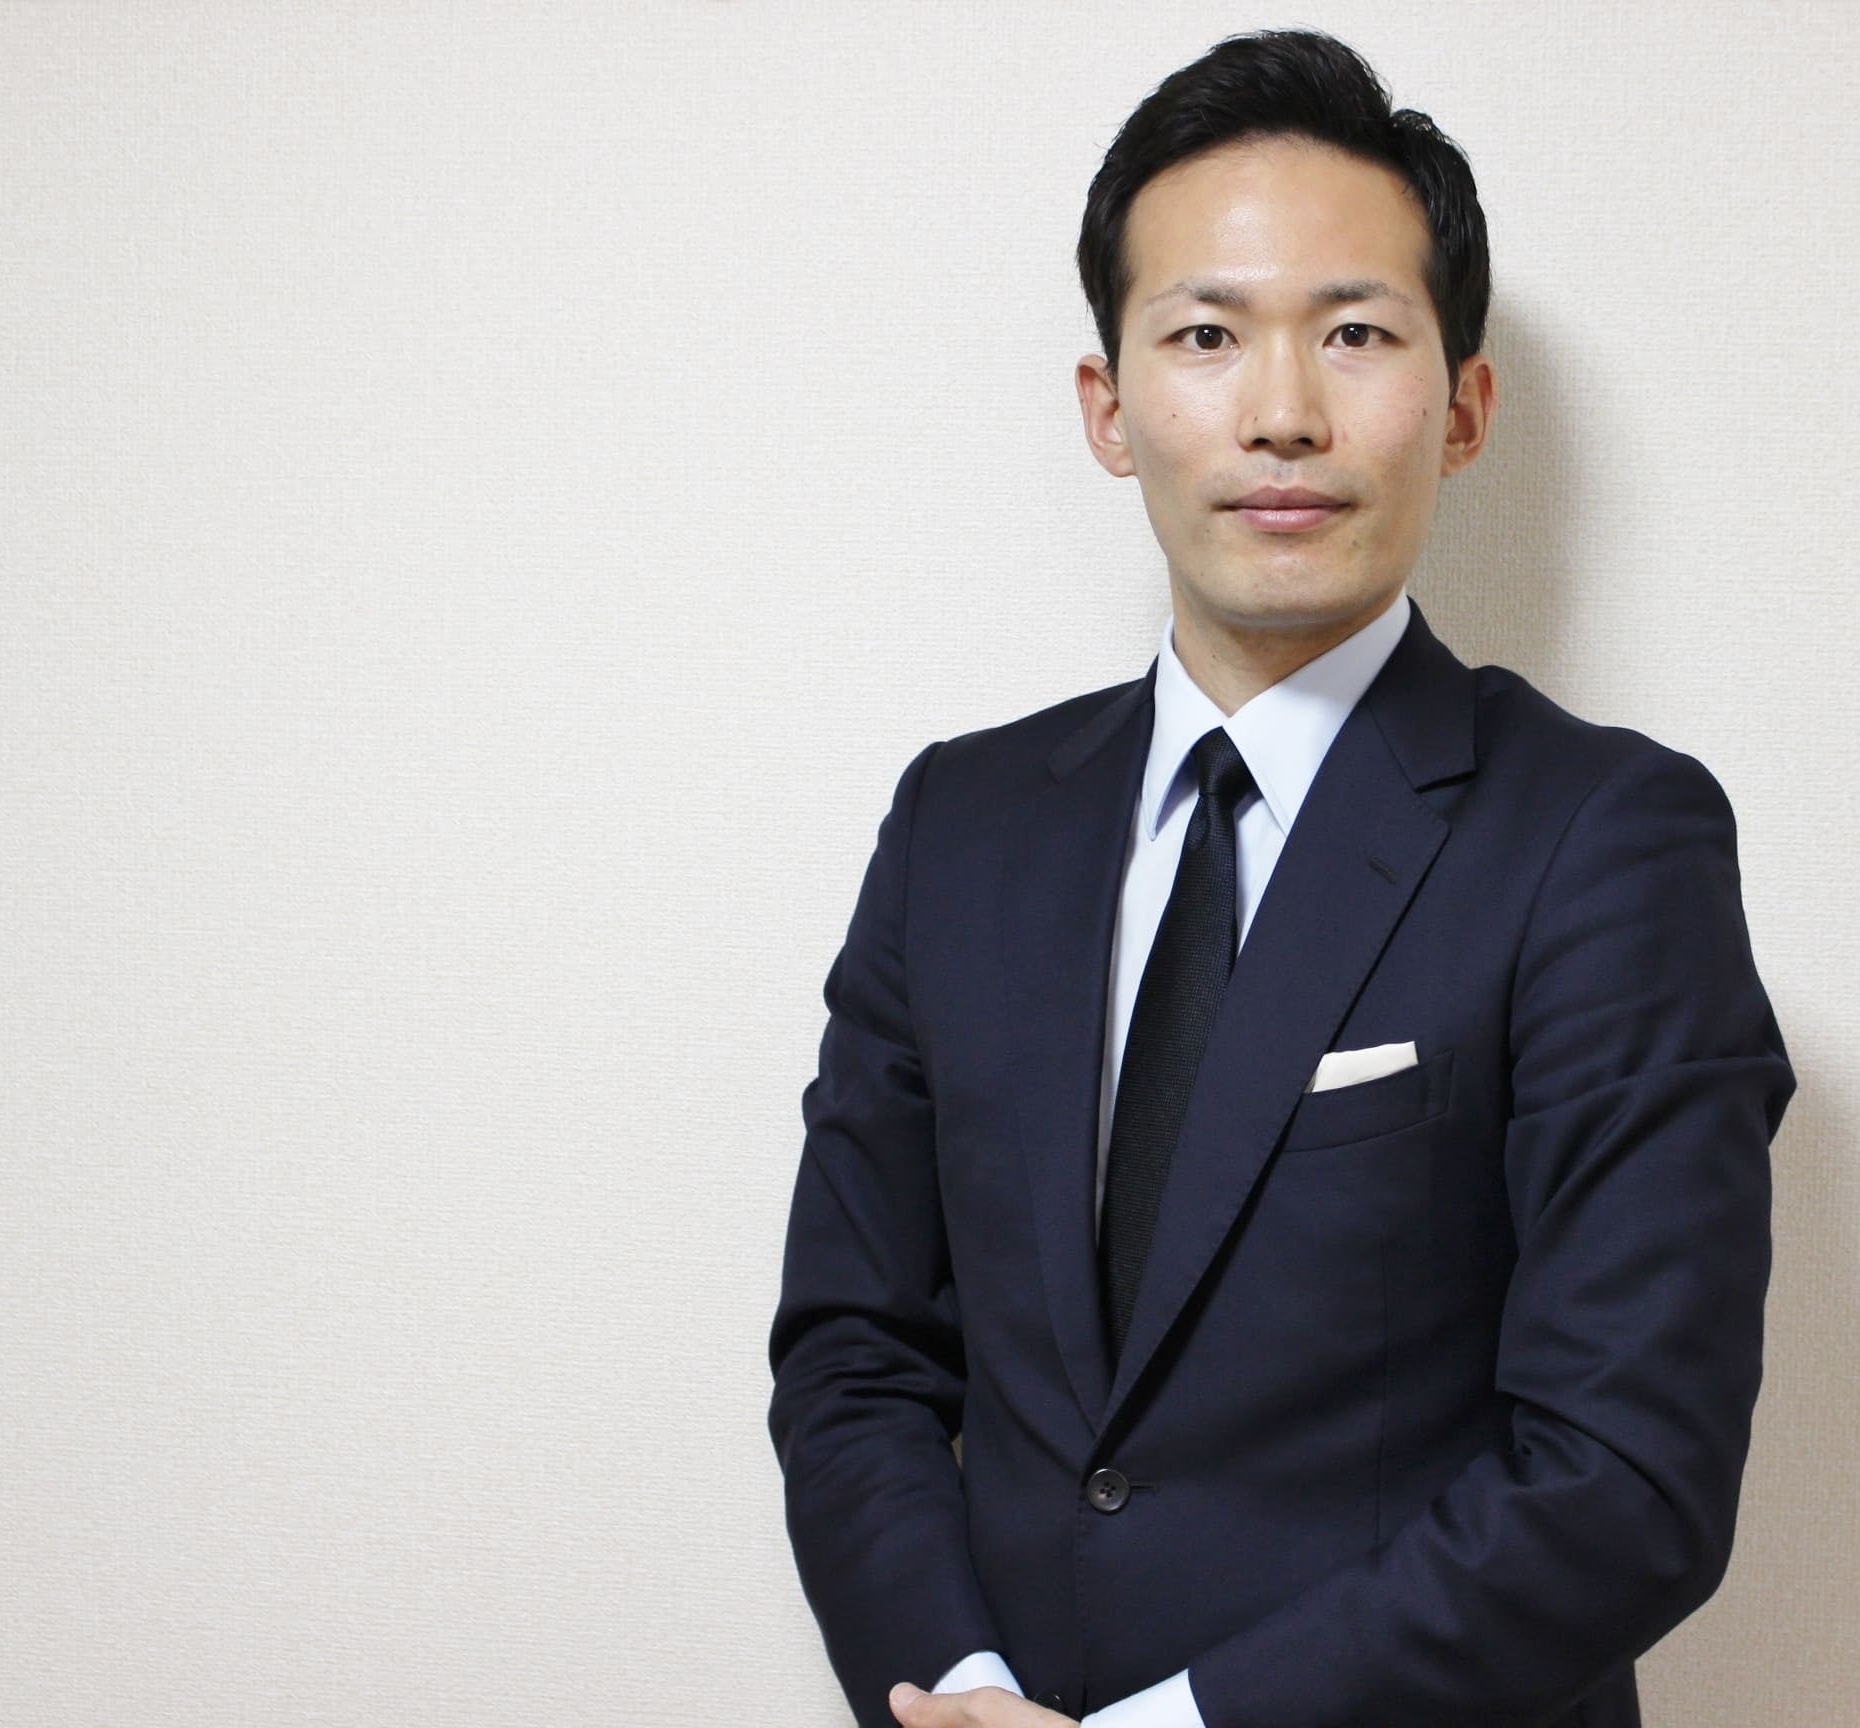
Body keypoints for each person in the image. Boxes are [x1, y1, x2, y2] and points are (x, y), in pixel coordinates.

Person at [767, 28, 1796, 1728]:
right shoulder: (962, 825)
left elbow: (1629, 1476)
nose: (1283, 413)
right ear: (1109, 410)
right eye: (1205, 335)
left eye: (1357, 333)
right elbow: (854, 1353)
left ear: (1463, 410)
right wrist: (958, 1686)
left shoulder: (1607, 840)